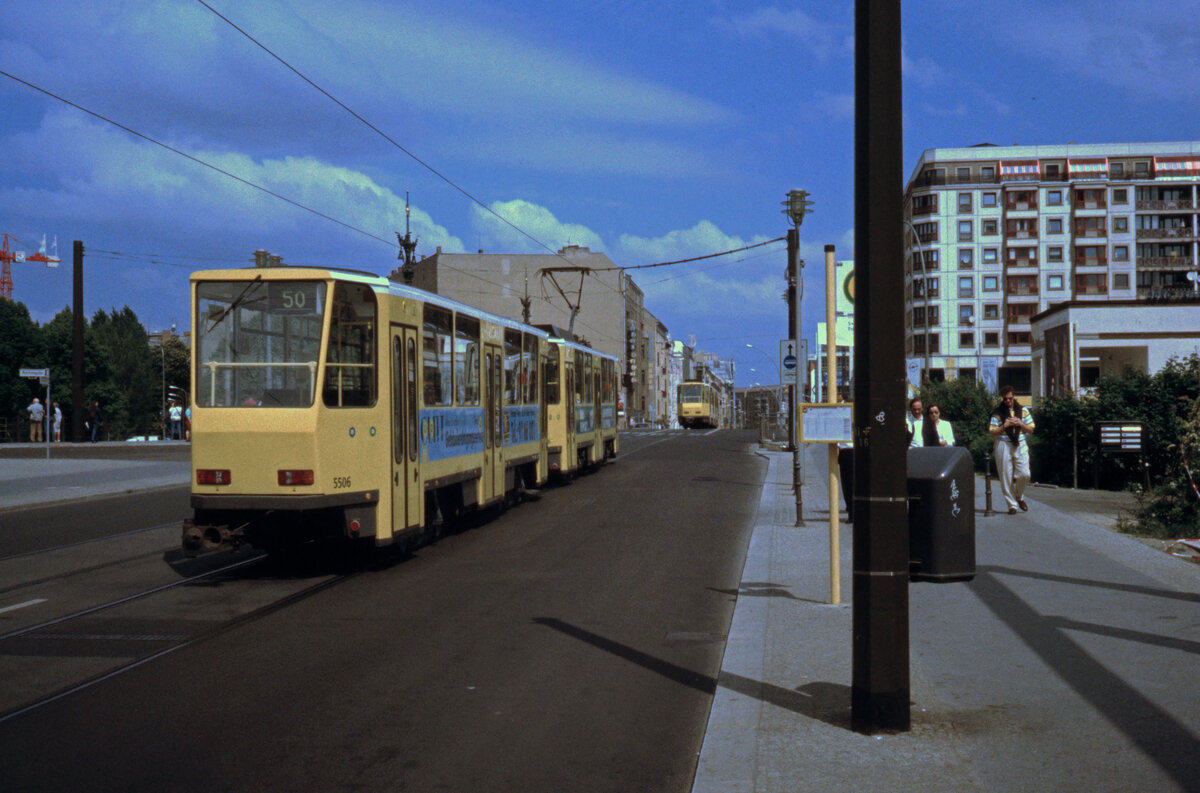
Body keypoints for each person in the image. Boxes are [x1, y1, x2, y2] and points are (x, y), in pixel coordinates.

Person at [989, 385, 1035, 514]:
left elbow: (1031, 429)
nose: (1008, 401)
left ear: (1014, 397)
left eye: (1010, 398)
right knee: (1006, 476)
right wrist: (1005, 425)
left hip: (1020, 443)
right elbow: (992, 432)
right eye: (1005, 399)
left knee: (1025, 474)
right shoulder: (997, 413)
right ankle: (1012, 505)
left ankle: (1019, 496)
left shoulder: (1023, 410)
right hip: (1003, 444)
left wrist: (1020, 423)